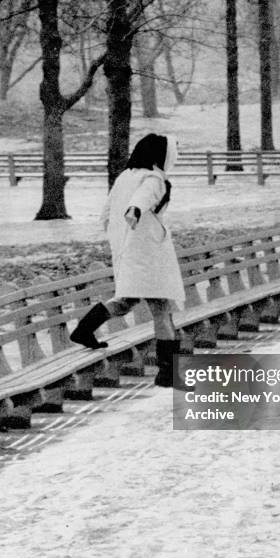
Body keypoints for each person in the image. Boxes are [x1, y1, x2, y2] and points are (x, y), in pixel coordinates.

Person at [70, 133, 187, 389]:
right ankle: (167, 373)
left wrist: (119, 236)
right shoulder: (153, 178)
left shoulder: (124, 177)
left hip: (128, 250)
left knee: (126, 301)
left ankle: (84, 329)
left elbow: (106, 213)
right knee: (161, 309)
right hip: (149, 254)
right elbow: (142, 199)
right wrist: (134, 211)